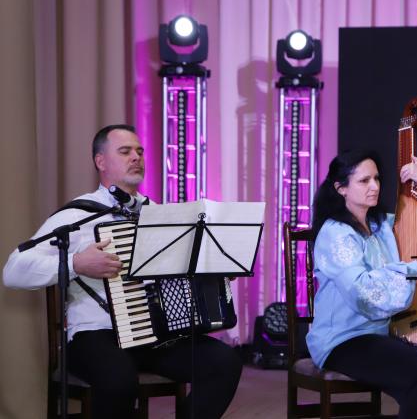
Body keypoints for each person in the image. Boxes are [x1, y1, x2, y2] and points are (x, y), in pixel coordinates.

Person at [3, 125, 242, 419]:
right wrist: (76, 263)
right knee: (119, 381)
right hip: (95, 335)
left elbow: (181, 272)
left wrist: (213, 273)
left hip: (156, 334)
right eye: (125, 151)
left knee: (224, 362)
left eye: (139, 151)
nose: (136, 157)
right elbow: (13, 270)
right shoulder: (77, 215)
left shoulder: (158, 213)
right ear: (101, 161)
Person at [306, 149, 417, 419]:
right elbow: (364, 294)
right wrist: (414, 270)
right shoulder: (335, 233)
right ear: (341, 188)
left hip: (384, 333)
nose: (374, 186)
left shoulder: (382, 224)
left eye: (377, 179)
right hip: (344, 340)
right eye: (364, 181)